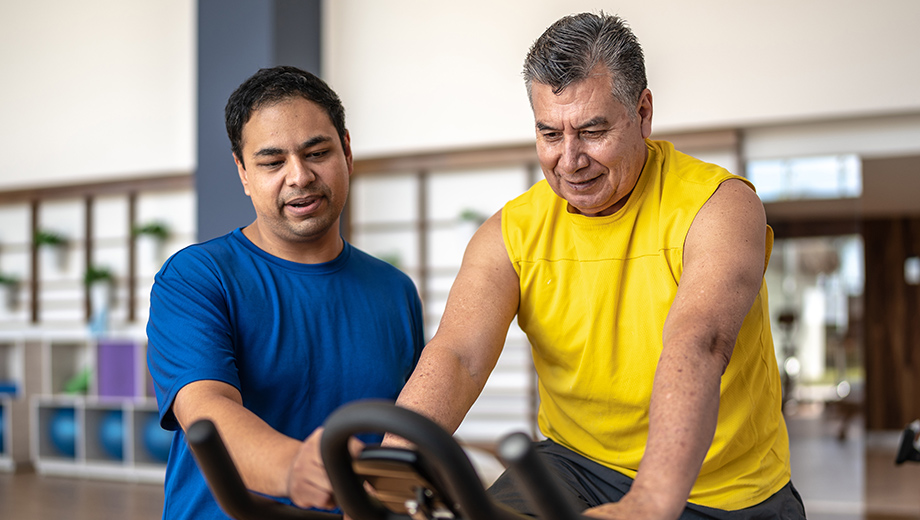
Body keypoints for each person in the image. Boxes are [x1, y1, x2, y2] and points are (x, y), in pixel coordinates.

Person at [392, 13, 805, 520]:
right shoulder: (509, 234)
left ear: (643, 112)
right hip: (574, 464)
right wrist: (388, 474)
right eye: (549, 133)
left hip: (728, 489)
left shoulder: (718, 206)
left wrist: (650, 502)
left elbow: (701, 341)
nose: (569, 160)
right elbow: (458, 356)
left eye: (592, 130)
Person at [146, 66, 424, 519]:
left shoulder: (394, 291)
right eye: (272, 162)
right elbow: (205, 409)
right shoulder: (195, 278)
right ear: (243, 173)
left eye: (317, 152)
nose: (299, 176)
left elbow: (405, 430)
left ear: (347, 151)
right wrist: (292, 466)